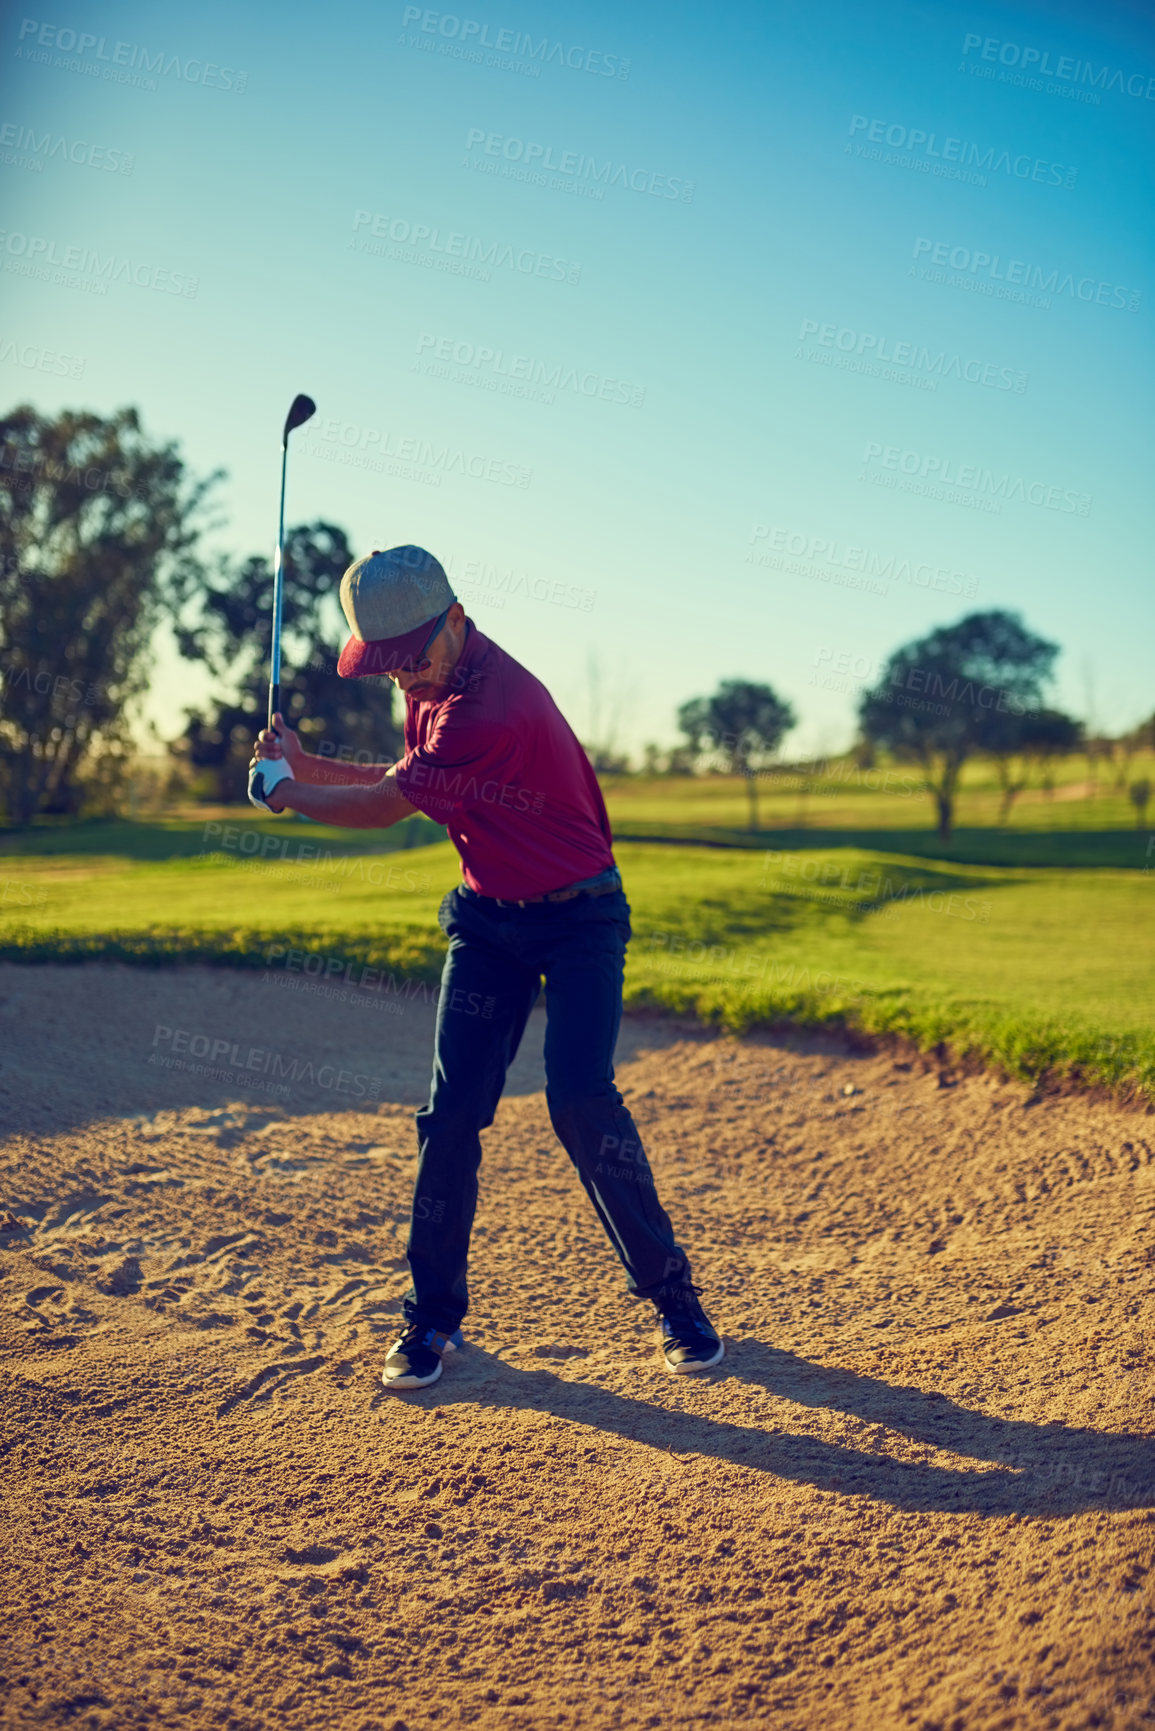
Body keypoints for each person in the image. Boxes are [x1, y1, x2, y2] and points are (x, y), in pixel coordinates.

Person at [250, 544, 723, 1390]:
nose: (405, 684)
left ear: (458, 621)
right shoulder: (434, 688)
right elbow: (405, 775)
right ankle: (429, 1318)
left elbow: (386, 805)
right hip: (486, 919)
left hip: (579, 916)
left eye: (413, 663)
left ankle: (673, 1299)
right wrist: (301, 760)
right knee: (450, 1115)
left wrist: (285, 792)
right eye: (389, 671)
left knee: (579, 1098)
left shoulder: (489, 707)